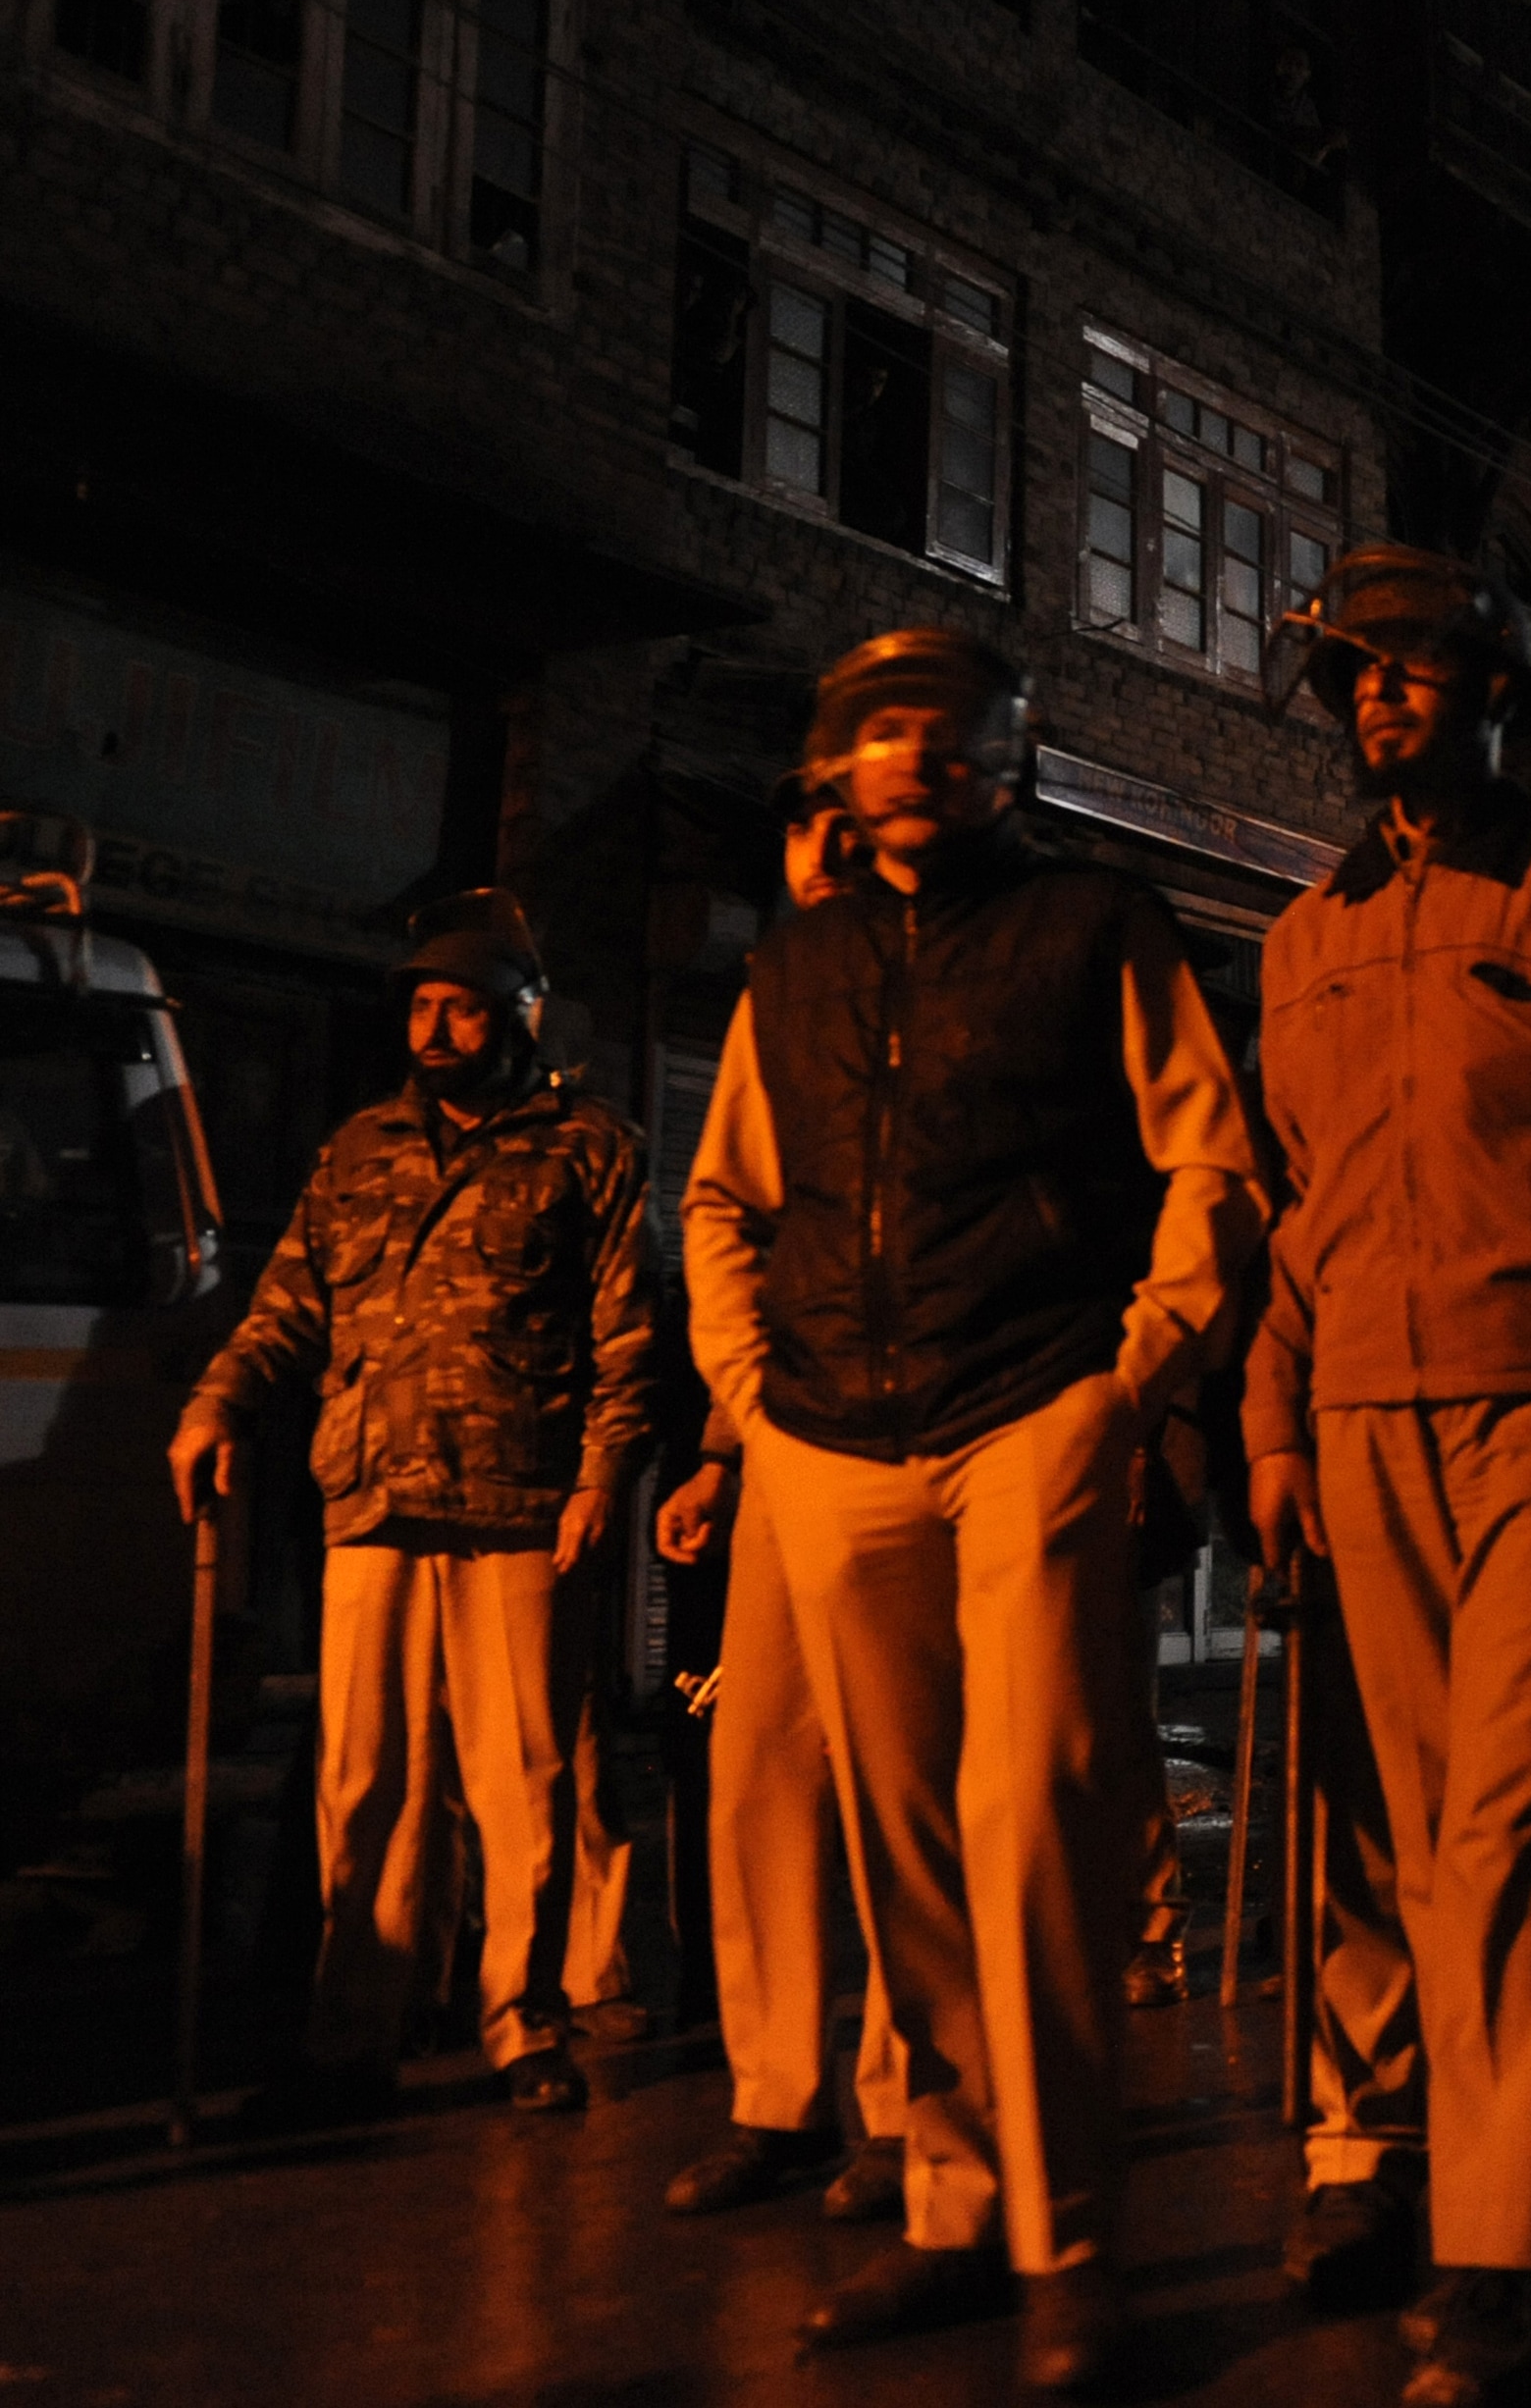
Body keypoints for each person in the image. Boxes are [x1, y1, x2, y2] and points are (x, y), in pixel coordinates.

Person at [679, 628, 1269, 2394]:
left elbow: (1209, 1160)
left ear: (1005, 756)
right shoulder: (793, 960)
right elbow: (726, 1195)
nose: (910, 758)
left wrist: (1133, 1377)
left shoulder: (1094, 923)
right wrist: (754, 1408)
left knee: (1038, 1826)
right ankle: (952, 2207)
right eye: (879, 733)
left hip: (1031, 1412)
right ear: (841, 766)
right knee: (904, 1846)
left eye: (944, 732)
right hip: (835, 1441)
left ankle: (1070, 2246)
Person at [1238, 550, 1531, 2408]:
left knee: (1522, 1821)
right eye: (1357, 678)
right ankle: (1457, 2164)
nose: (1382, 698)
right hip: (1356, 1422)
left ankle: (1511, 2248)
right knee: (1410, 1839)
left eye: (1415, 667)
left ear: (1494, 686)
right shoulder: (1304, 934)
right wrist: (1269, 1427)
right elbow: (1291, 1215)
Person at [172, 892, 657, 2125]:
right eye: (424, 1008)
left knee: (524, 1778)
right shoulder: (357, 1151)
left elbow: (625, 1334)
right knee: (366, 1779)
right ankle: (352, 2039)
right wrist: (217, 1403)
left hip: (518, 1498)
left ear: (516, 1020)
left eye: (462, 1007)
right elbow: (288, 1305)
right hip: (375, 1494)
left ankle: (521, 2024)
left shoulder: (587, 1148)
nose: (436, 1028)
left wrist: (605, 1476)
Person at [657, 775, 909, 2222]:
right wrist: (725, 1432)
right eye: (806, 836)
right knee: (764, 1764)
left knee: (899, 1780)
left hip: (930, 1435)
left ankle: (898, 2095)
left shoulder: (967, 977)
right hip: (786, 1435)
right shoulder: (774, 998)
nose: (822, 862)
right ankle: (778, 2093)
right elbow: (731, 1210)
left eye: (846, 838)